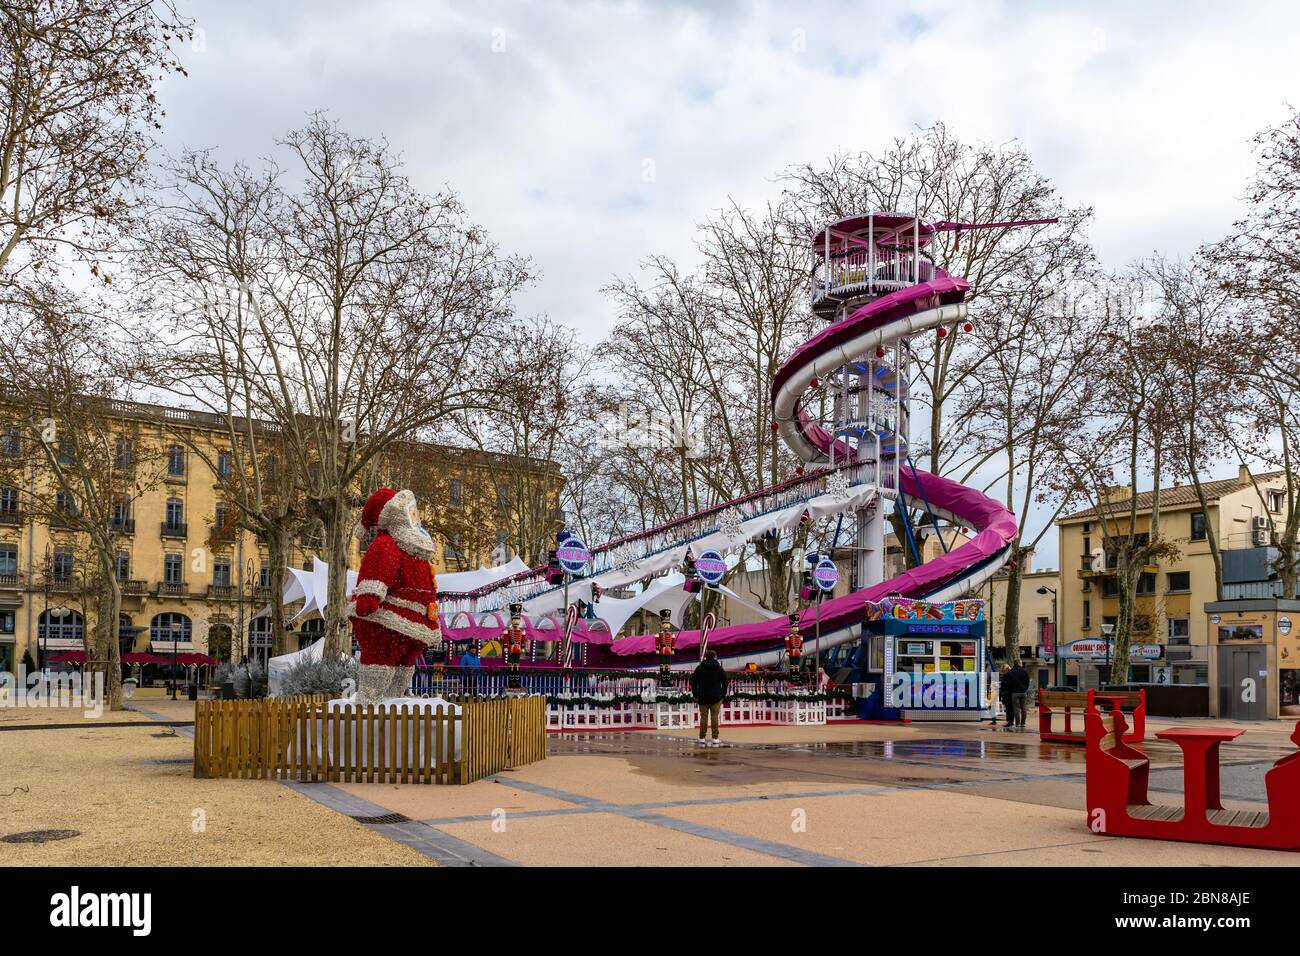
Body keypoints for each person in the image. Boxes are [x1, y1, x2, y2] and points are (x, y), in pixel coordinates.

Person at [690, 650, 729, 746]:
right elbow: (725, 682)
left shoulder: (699, 668)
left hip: (702, 696)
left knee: (704, 717)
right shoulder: (719, 668)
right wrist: (722, 695)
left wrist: (695, 695)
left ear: (705, 657)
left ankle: (702, 737)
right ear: (715, 657)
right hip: (716, 696)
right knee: (714, 717)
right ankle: (715, 738)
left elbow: (694, 683)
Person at [1009, 659, 1031, 730]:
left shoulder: (1011, 671)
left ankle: (1017, 723)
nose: (1022, 663)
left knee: (1016, 708)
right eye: (1021, 662)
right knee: (1024, 708)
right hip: (1023, 692)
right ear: (1018, 663)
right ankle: (1023, 723)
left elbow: (1010, 683)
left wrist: (1011, 690)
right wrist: (1025, 689)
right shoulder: (1024, 671)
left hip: (1015, 692)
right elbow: (1028, 681)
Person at [997, 664, 1013, 728]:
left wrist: (1002, 683)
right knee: (1009, 708)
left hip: (1007, 694)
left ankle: (1010, 721)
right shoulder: (1008, 674)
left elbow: (1007, 684)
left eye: (1003, 670)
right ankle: (1009, 721)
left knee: (1009, 708)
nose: (1003, 672)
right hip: (1007, 694)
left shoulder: (1008, 675)